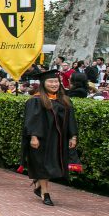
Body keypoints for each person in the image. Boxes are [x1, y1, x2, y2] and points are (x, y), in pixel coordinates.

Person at [22, 68, 81, 206]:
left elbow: (71, 119)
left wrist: (73, 136)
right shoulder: (36, 100)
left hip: (58, 139)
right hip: (42, 138)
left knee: (53, 165)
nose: (54, 84)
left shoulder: (64, 100)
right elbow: (32, 120)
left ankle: (38, 185)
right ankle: (45, 193)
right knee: (43, 164)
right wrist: (34, 137)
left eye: (56, 81)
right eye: (51, 81)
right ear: (43, 83)